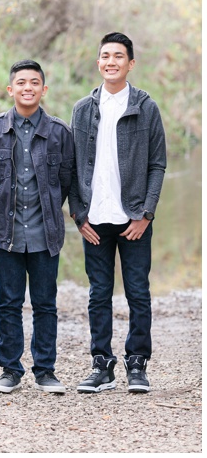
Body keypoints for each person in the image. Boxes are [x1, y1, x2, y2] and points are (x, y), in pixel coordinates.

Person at [69, 32, 166, 394]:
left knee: (138, 291)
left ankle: (137, 364)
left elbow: (157, 164)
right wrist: (79, 215)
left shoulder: (146, 106)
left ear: (131, 63)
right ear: (99, 62)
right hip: (94, 219)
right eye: (105, 56)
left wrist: (146, 213)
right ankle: (102, 365)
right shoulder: (82, 109)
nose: (111, 62)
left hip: (134, 218)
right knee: (98, 293)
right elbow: (71, 167)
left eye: (119, 56)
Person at [0, 59, 73, 394]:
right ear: (10, 89)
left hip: (45, 234)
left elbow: (65, 182)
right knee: (8, 302)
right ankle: (10, 370)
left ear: (43, 89)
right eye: (21, 82)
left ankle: (46, 370)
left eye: (34, 82)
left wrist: (49, 212)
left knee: (46, 303)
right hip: (6, 234)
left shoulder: (59, 132)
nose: (28, 88)